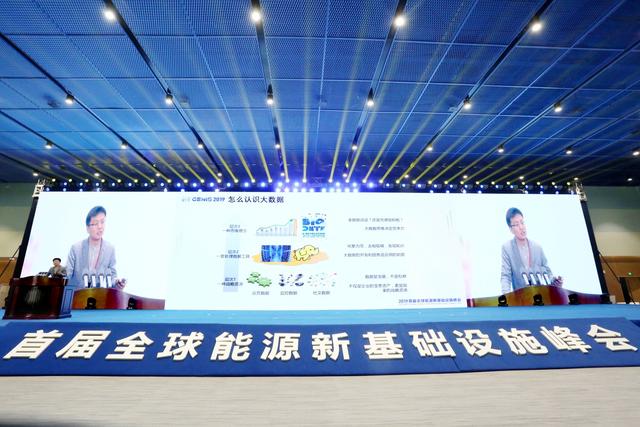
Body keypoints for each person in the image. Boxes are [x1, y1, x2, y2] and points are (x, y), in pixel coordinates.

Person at [500, 207, 562, 294]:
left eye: (522, 222)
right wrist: (506, 297)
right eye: (516, 224)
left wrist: (555, 281)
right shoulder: (507, 248)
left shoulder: (537, 247)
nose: (521, 227)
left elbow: (548, 273)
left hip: (540, 297)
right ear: (511, 229)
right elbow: (505, 277)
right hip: (521, 299)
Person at [66, 206, 125, 290]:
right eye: (96, 223)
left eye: (102, 222)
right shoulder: (76, 249)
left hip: (99, 296)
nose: (100, 227)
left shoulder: (110, 249)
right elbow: (67, 276)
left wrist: (117, 283)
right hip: (77, 295)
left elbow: (112, 278)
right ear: (87, 228)